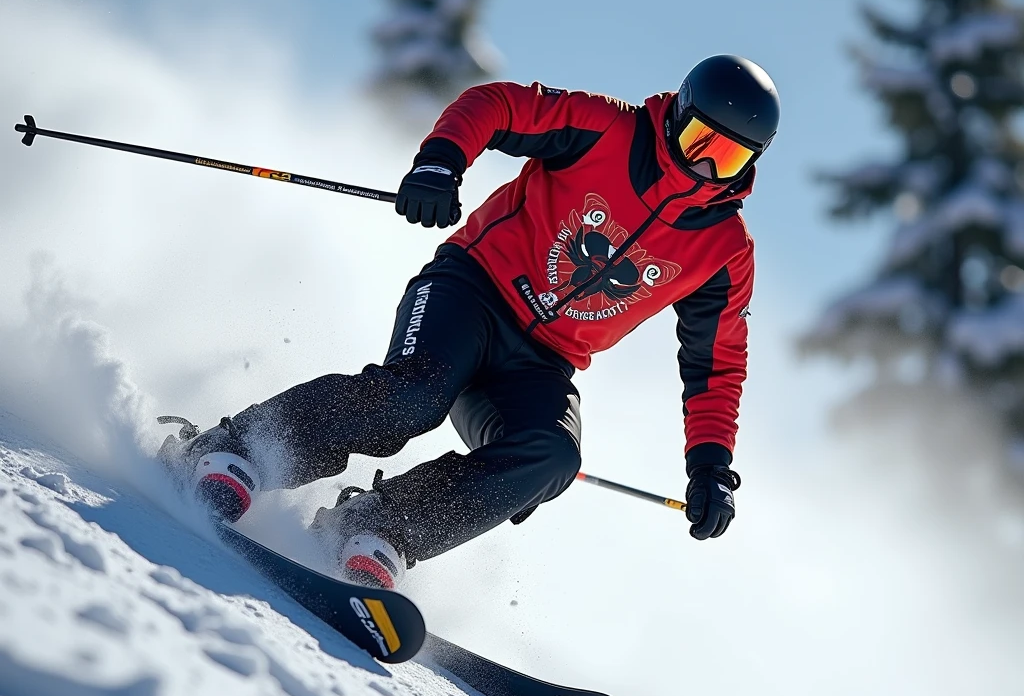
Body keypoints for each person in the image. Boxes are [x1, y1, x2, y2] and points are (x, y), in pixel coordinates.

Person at [161, 55, 780, 590]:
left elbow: (715, 366)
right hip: (472, 289)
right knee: (413, 396)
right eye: (700, 138)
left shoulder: (724, 250)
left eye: (726, 158)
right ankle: (233, 449)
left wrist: (709, 464)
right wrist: (441, 164)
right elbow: (499, 105)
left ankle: (379, 525)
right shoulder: (607, 130)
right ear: (677, 113)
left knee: (552, 455)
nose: (704, 165)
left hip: (541, 361)